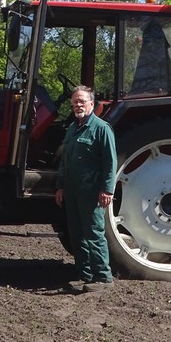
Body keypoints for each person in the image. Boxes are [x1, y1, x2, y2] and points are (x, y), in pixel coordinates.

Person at [54, 85, 117, 292]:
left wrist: (107, 190)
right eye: (75, 102)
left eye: (82, 101)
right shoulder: (73, 129)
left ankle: (103, 277)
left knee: (93, 233)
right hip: (72, 191)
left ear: (91, 103)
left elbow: (110, 163)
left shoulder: (101, 129)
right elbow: (65, 161)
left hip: (91, 192)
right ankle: (85, 275)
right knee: (76, 233)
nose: (78, 105)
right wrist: (60, 186)